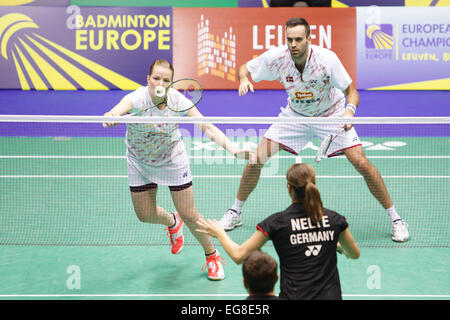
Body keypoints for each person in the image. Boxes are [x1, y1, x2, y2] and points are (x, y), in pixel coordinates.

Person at [219, 17, 409, 243]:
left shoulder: (326, 59)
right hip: (295, 116)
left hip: (331, 113)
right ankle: (235, 212)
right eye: (289, 39)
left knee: (361, 163)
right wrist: (243, 80)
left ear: (309, 39)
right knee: (256, 159)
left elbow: (352, 92)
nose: (293, 44)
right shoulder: (277, 58)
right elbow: (244, 68)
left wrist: (349, 112)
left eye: (298, 39)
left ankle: (396, 219)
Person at [103, 59, 252, 280]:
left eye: (165, 79)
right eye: (156, 78)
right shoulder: (137, 98)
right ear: (148, 80)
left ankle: (212, 255)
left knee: (190, 214)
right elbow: (115, 111)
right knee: (144, 215)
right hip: (139, 159)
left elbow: (207, 126)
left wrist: (232, 149)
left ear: (171, 83)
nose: (160, 82)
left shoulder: (178, 101)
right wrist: (111, 118)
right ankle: (173, 222)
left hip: (171, 158)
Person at [197, 163, 360, 300]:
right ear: (314, 184)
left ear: (289, 188)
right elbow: (354, 254)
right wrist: (335, 244)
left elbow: (239, 255)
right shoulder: (334, 219)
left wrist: (220, 232)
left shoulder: (277, 223)